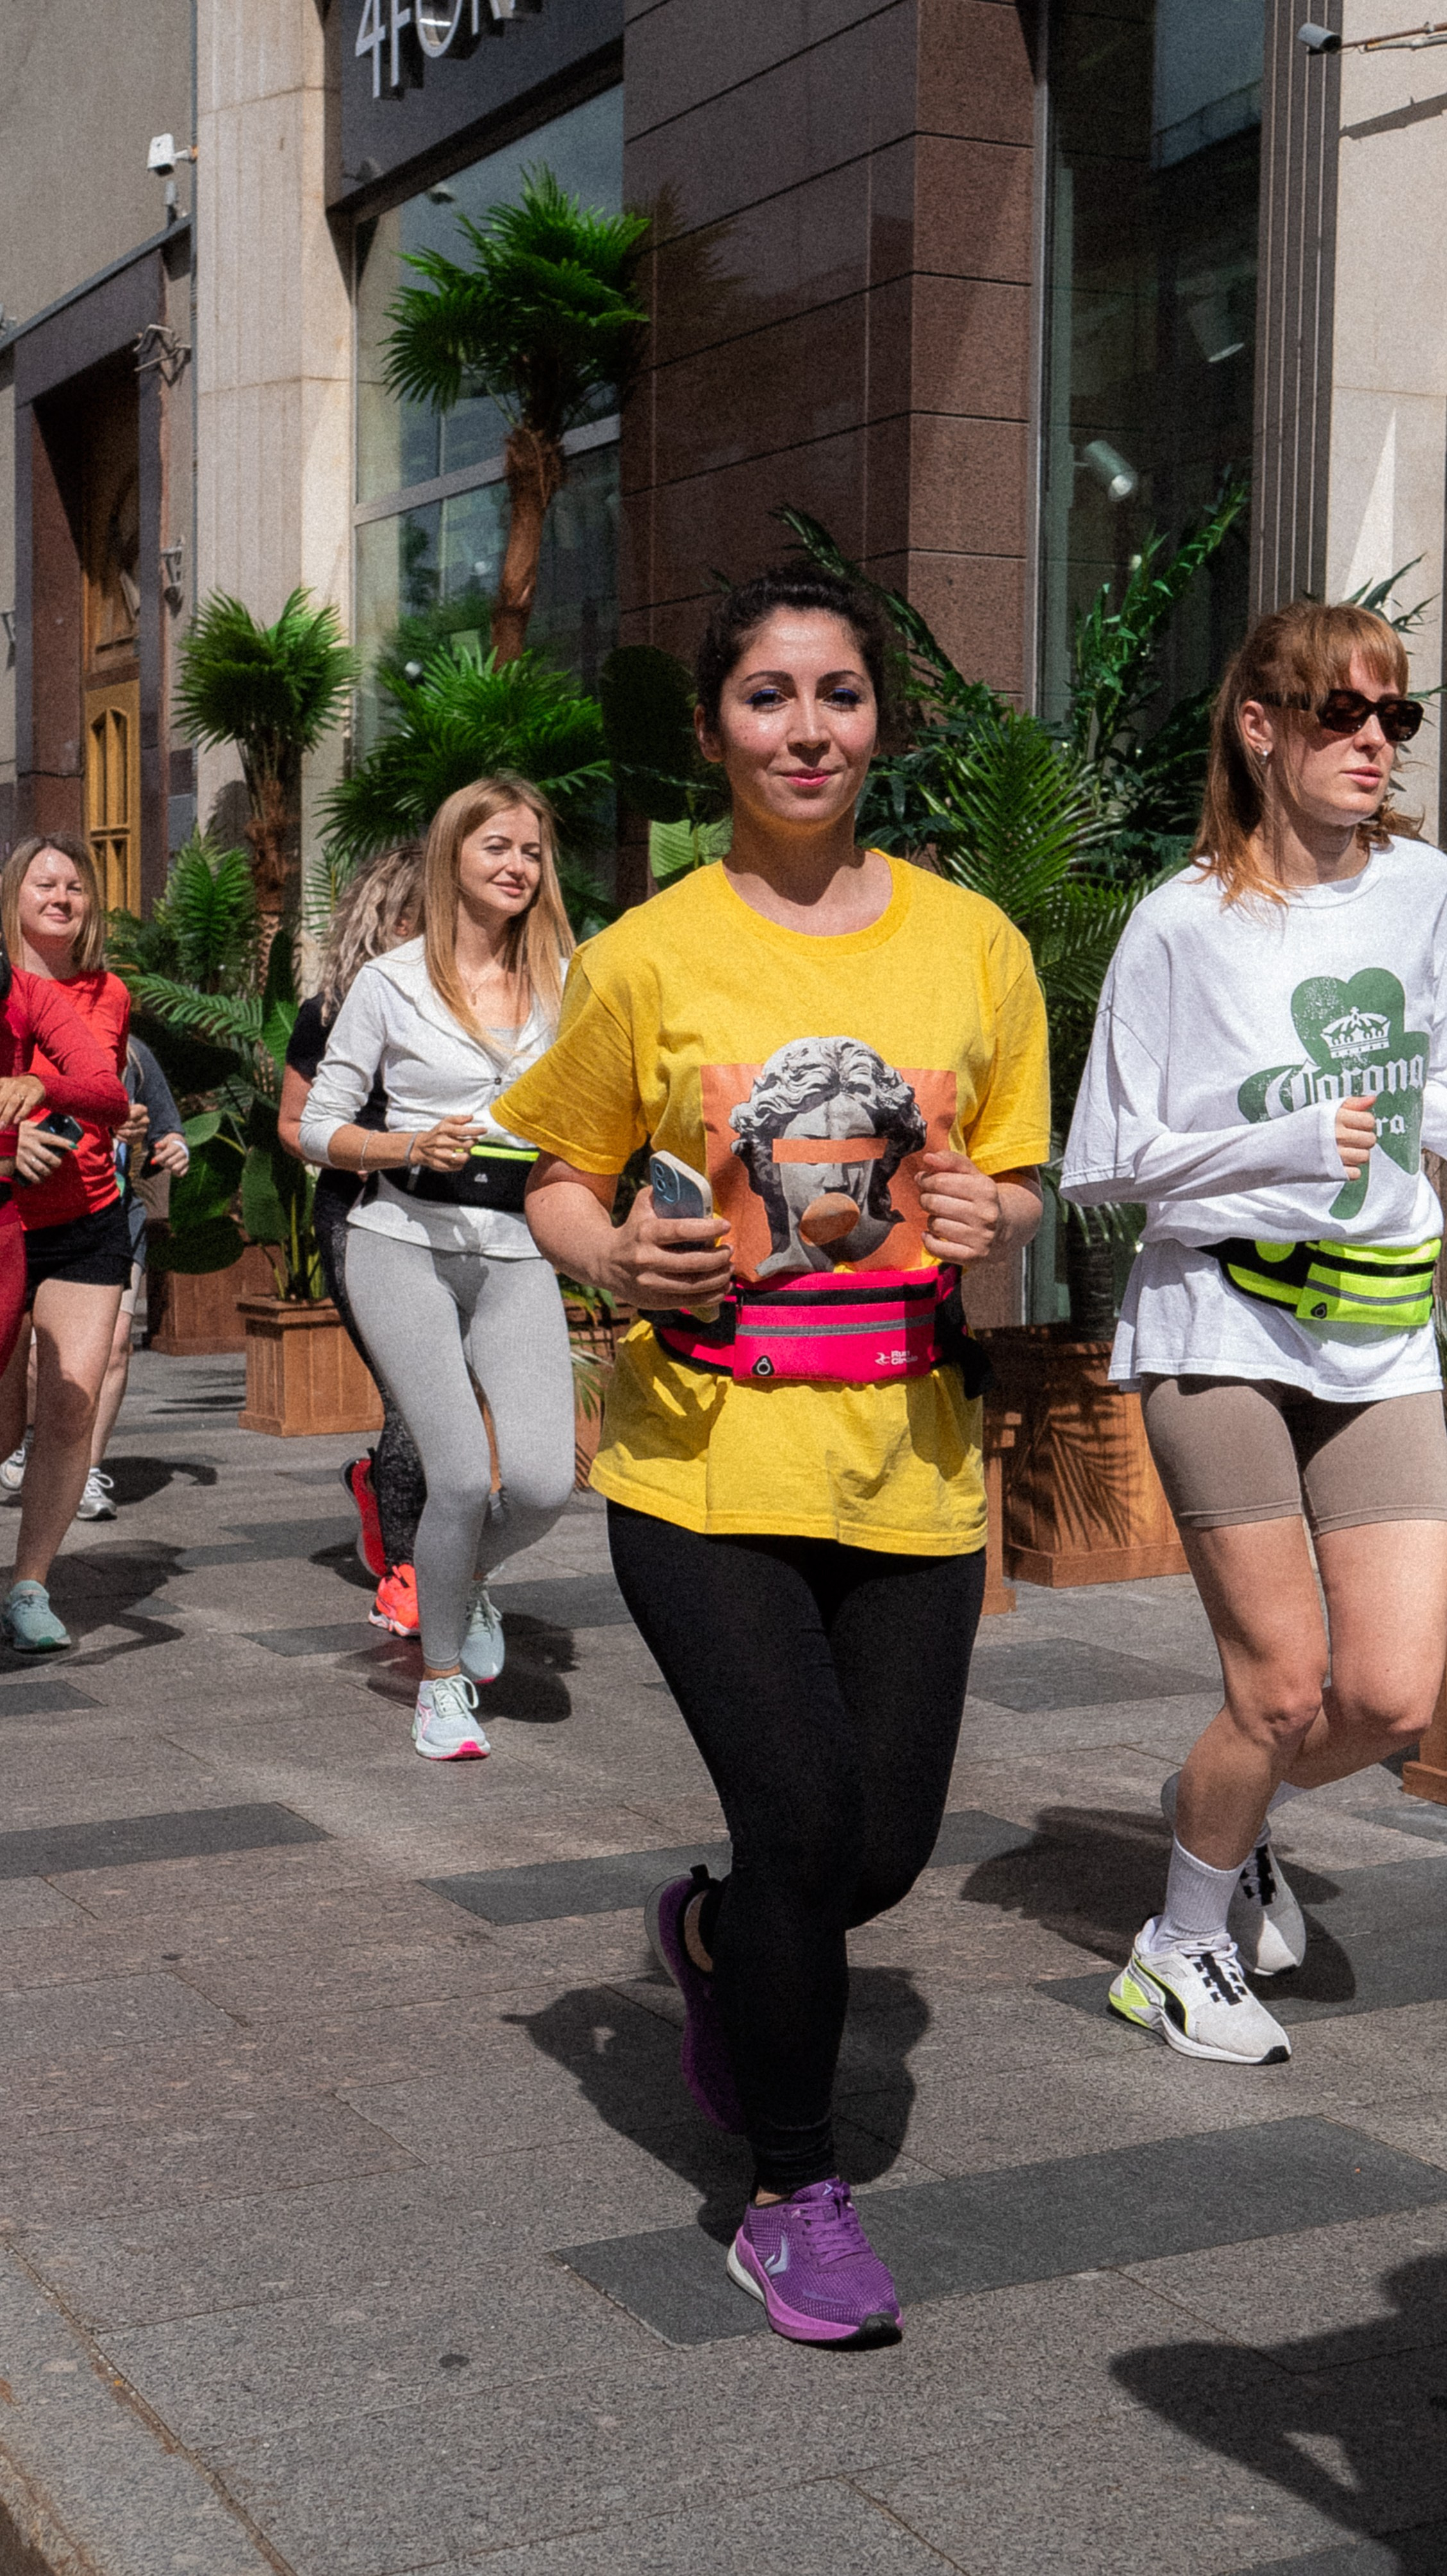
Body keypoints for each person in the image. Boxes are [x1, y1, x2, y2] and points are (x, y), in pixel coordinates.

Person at [495, 566, 1049, 2348]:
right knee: (802, 1823)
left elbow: (1014, 1175)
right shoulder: (646, 954)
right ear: (715, 727)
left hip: (914, 1459)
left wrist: (993, 1212)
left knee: (875, 1854)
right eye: (767, 696)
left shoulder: (974, 944)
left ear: (880, 719)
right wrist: (612, 1254)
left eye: (837, 695)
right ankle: (790, 2194)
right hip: (703, 1463)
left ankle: (720, 1937)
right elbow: (557, 1174)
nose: (806, 729)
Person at [1062, 600, 1447, 2068]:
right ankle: (1177, 1945)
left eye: (1395, 714)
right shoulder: (1182, 922)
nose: (1373, 740)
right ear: (1260, 724)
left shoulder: (1426, 892)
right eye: (1341, 711)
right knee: (1279, 1687)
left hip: (1382, 1326)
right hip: (1218, 1320)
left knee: (1393, 1695)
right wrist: (1276, 1137)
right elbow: (1105, 1159)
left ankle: (1223, 1805)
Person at [298, 777, 578, 1758]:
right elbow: (316, 1126)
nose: (517, 866)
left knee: (542, 1485)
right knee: (457, 1476)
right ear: (452, 854)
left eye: (532, 851)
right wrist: (405, 1144)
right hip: (401, 1241)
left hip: (516, 1248)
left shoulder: (567, 981)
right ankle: (443, 1683)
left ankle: (461, 1580)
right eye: (497, 846)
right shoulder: (391, 983)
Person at [278, 845, 428, 1633]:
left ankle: (381, 1490)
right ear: (392, 917)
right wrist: (374, 1151)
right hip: (360, 1211)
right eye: (431, 912)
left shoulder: (481, 1007)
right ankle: (407, 1572)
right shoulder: (331, 1012)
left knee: (446, 1395)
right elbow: (292, 1123)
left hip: (460, 1217)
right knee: (411, 1395)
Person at [0, 836, 135, 1648]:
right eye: (45, 883)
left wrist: (42, 1093)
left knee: (72, 1399)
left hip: (86, 1215)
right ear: (12, 893)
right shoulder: (9, 986)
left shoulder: (106, 991)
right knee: (3, 1420)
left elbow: (107, 1090)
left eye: (75, 886)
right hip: (6, 1219)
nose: (62, 896)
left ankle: (30, 1584)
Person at [77, 1037, 191, 1522]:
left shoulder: (134, 1054)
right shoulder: (28, 1042)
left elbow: (169, 1129)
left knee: (116, 1344)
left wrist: (176, 1150)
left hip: (120, 1215)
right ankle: (23, 1438)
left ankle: (85, 1472)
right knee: (37, 1357)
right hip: (45, 1218)